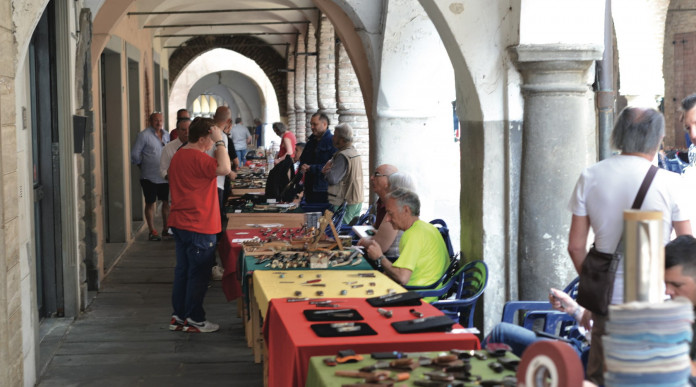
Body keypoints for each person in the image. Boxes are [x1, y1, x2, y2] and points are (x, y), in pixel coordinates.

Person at [567, 106, 692, 385]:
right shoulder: (671, 183)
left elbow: (576, 248)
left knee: (602, 378)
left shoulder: (591, 176)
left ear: (618, 135)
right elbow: (686, 250)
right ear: (659, 137)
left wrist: (595, 288)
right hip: (653, 303)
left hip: (606, 306)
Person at [167, 117, 231, 333]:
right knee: (198, 274)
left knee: (183, 271)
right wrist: (221, 141)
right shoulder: (197, 157)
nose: (212, 143)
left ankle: (179, 316)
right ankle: (194, 318)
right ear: (204, 138)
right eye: (211, 139)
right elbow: (224, 168)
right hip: (199, 224)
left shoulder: (179, 156)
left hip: (181, 222)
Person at [364, 188, 449, 300]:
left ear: (406, 210)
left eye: (390, 213)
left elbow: (402, 277)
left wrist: (380, 257)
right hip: (430, 294)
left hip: (420, 299)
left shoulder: (413, 234)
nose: (388, 219)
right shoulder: (428, 228)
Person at [358, 167, 415, 261]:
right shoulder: (407, 207)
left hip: (393, 262)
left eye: (389, 185)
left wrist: (364, 242)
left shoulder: (396, 210)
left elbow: (380, 246)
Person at [130, 112, 170, 241]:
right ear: (150, 121)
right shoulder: (144, 135)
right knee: (150, 203)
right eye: (155, 120)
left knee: (166, 202)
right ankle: (152, 231)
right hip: (149, 176)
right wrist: (141, 165)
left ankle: (166, 229)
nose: (158, 123)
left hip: (164, 175)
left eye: (160, 120)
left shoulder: (166, 135)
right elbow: (135, 154)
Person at [322, 123, 364, 224]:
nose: (333, 137)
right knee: (350, 229)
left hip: (346, 200)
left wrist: (325, 170)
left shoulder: (343, 155)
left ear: (342, 139)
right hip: (356, 198)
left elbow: (333, 178)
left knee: (341, 231)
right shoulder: (354, 152)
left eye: (335, 135)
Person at [211, 107, 238, 234]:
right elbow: (222, 159)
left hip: (209, 180)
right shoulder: (220, 136)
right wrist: (230, 172)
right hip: (217, 182)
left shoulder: (209, 132)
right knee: (216, 215)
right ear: (228, 120)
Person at [299, 113, 337, 203]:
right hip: (309, 187)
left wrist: (311, 168)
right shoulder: (311, 142)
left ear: (324, 124)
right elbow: (303, 159)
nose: (312, 127)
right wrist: (303, 166)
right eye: (311, 124)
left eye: (315, 124)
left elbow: (333, 167)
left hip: (324, 189)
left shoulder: (333, 142)